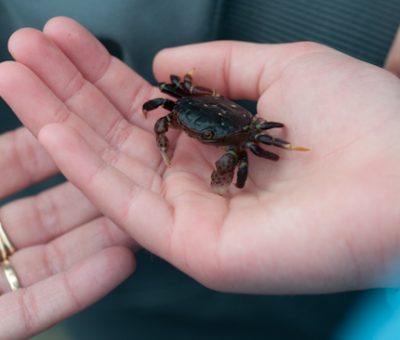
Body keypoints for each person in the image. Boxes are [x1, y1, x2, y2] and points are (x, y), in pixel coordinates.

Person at [0, 13, 399, 340]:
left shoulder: (247, 136)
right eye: (192, 131)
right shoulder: (180, 107)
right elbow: (163, 106)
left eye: (206, 138)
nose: (197, 138)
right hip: (125, 293)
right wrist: (168, 135)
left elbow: (251, 154)